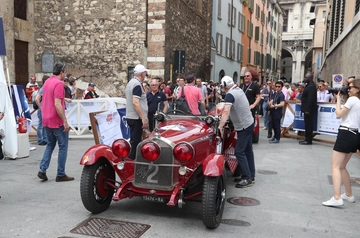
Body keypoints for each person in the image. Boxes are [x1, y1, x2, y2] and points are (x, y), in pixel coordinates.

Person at [322, 79, 360, 207]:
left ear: (358, 88)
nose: (348, 89)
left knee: (335, 166)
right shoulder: (357, 101)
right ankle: (349, 194)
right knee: (342, 166)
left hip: (346, 133)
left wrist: (338, 99)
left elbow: (338, 115)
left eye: (350, 87)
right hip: (355, 134)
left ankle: (337, 197)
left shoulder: (353, 100)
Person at [37, 62, 74, 182]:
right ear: (62, 72)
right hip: (56, 119)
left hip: (46, 118)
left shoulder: (47, 82)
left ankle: (42, 170)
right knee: (63, 147)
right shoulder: (59, 84)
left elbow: (42, 97)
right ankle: (61, 173)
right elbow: (57, 105)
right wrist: (65, 121)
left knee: (50, 145)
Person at [218, 76, 255, 188]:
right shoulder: (237, 90)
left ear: (224, 85)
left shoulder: (230, 94)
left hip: (244, 126)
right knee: (248, 151)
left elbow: (226, 111)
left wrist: (220, 126)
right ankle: (250, 174)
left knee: (239, 151)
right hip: (248, 123)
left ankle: (246, 178)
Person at [125, 64, 149, 160]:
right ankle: (131, 163)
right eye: (145, 73)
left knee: (134, 141)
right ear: (142, 73)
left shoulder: (131, 83)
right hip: (136, 118)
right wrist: (143, 118)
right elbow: (136, 102)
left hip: (131, 116)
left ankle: (131, 160)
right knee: (135, 142)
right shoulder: (137, 85)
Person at [299, 73, 317, 145]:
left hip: (308, 110)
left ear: (310, 78)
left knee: (309, 125)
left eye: (306, 77)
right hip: (306, 108)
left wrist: (307, 110)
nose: (305, 78)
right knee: (307, 124)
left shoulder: (312, 86)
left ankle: (308, 140)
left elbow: (310, 99)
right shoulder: (308, 85)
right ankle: (306, 138)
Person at [35, 75, 50, 145]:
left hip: (44, 109)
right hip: (42, 109)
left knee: (43, 125)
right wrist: (41, 107)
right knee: (41, 125)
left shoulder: (44, 88)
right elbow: (36, 99)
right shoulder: (43, 89)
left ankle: (44, 139)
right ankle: (41, 139)